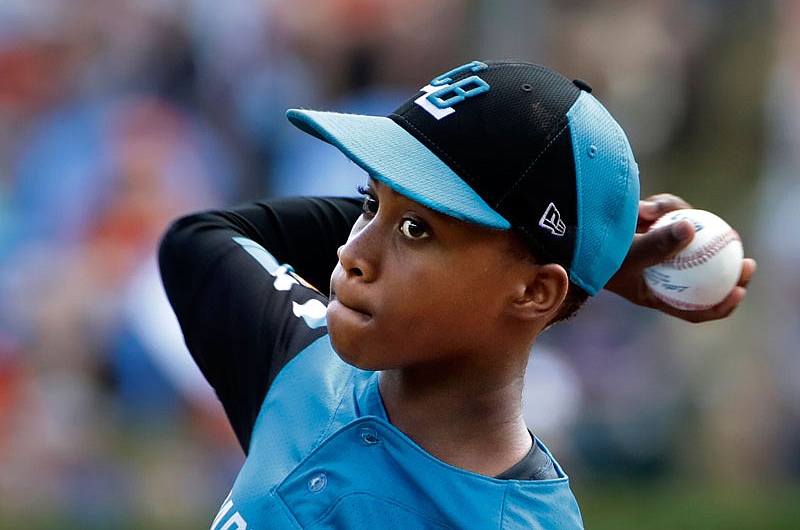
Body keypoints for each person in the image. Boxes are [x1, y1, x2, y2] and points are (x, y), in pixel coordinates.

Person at [159, 60, 755, 528]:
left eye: (417, 228)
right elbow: (199, 240)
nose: (351, 254)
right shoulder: (302, 363)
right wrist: (580, 263)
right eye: (370, 202)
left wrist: (578, 264)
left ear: (534, 292)